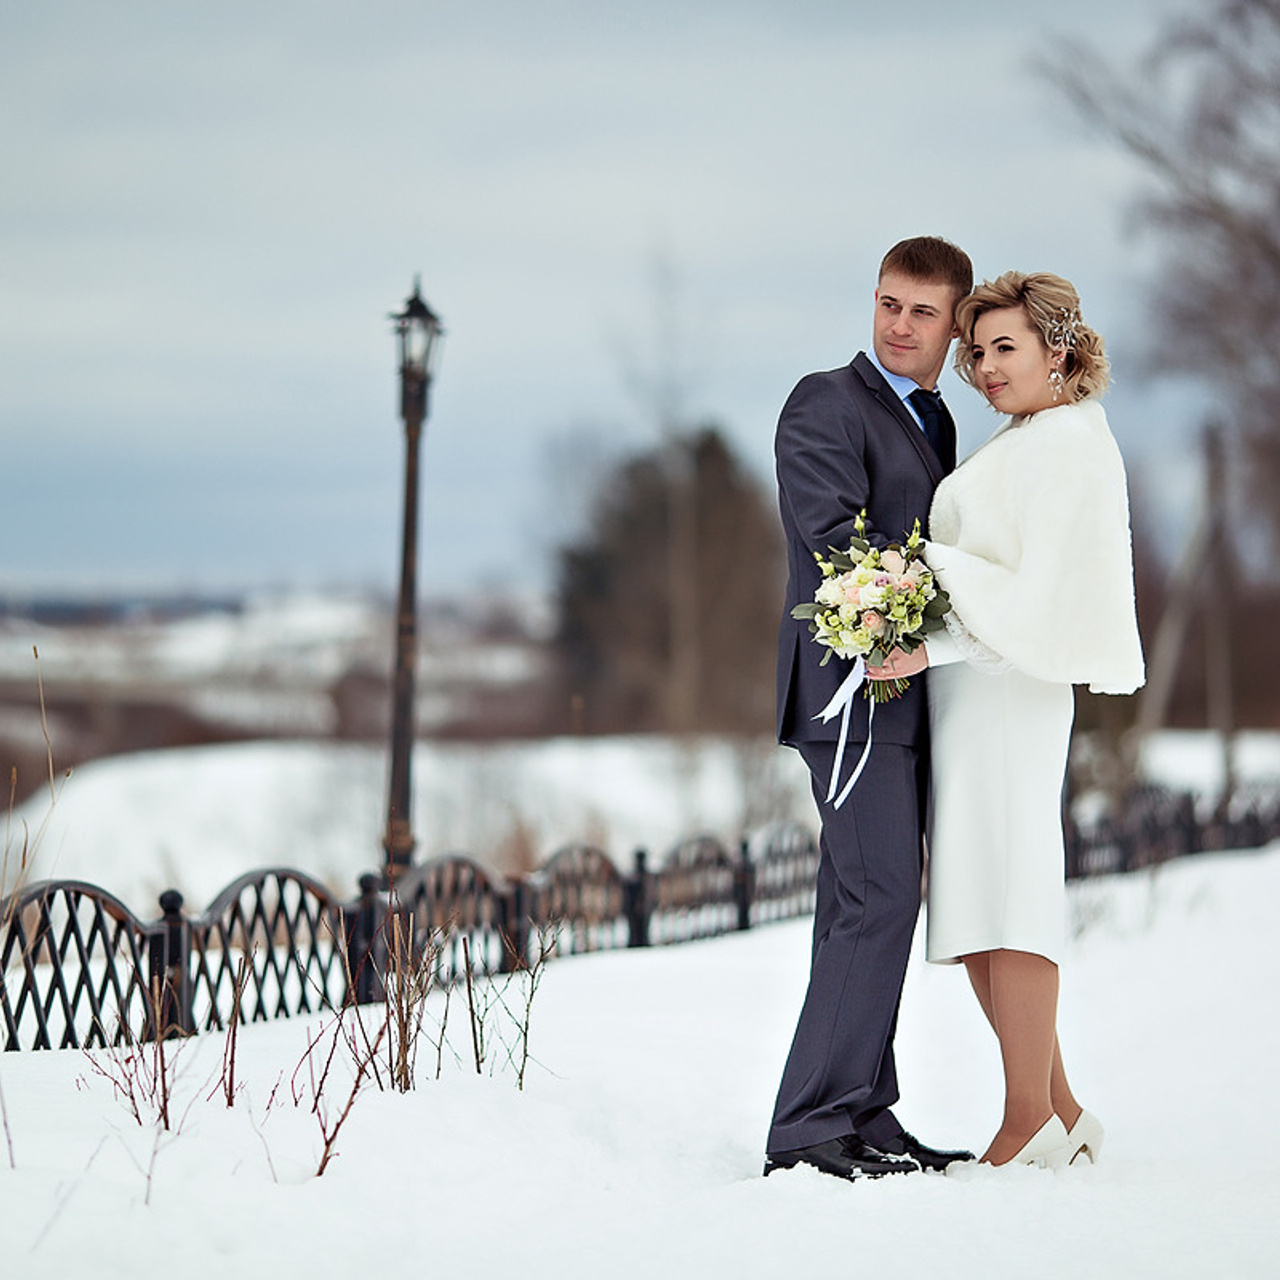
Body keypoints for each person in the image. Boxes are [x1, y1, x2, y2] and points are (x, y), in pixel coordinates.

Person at [871, 271, 1145, 1167]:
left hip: (1008, 696)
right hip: (977, 699)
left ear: (1056, 349)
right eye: (978, 352)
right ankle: (1061, 1113)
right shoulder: (1029, 436)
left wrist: (931, 638)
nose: (986, 368)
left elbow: (1040, 600)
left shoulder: (1066, 443)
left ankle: (1025, 1118)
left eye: (1005, 348)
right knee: (979, 900)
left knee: (1009, 896)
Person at [763, 236, 976, 1180]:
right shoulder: (827, 401)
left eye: (923, 311)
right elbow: (831, 542)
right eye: (890, 303)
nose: (899, 325)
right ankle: (809, 1126)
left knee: (865, 900)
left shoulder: (936, 420)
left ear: (955, 325)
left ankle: (861, 1111)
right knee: (877, 896)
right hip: (849, 693)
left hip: (909, 696)